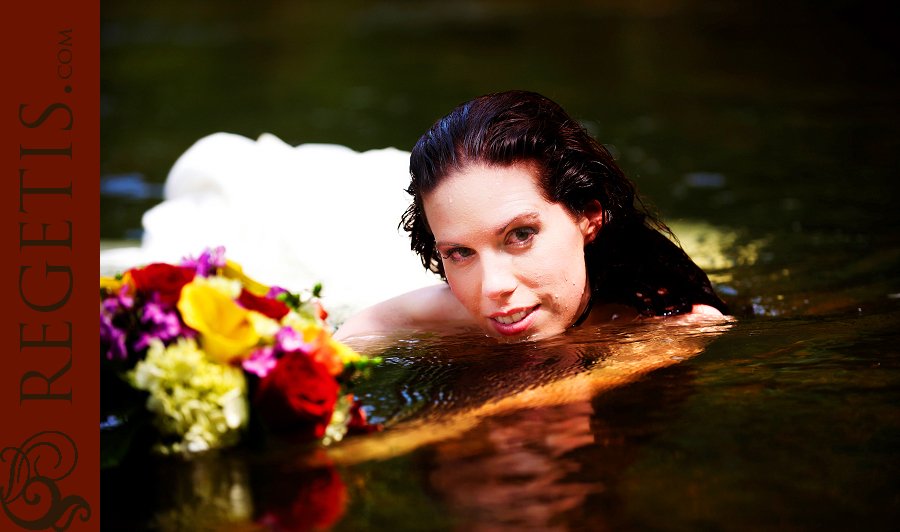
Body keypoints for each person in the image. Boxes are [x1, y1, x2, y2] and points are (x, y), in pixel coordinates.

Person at [334, 90, 727, 342]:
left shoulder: (678, 324)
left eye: (520, 234)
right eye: (460, 252)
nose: (492, 288)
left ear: (588, 216)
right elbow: (355, 337)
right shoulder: (440, 315)